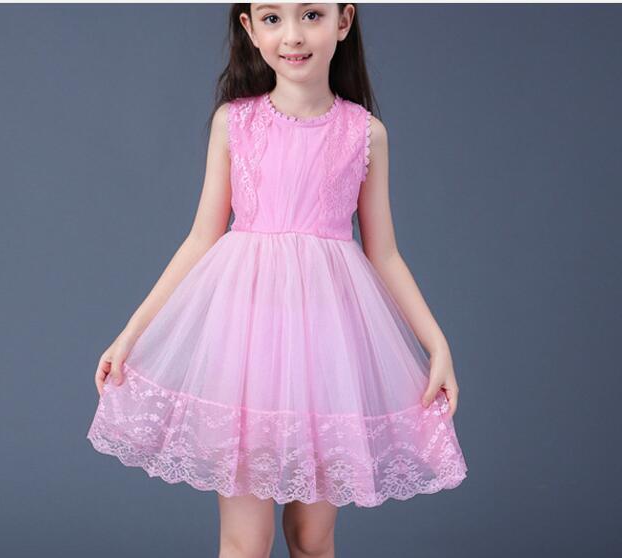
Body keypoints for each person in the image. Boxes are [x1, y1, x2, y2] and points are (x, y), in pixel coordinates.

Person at [87, 3, 468, 557]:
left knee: (312, 537)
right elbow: (201, 238)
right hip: (246, 348)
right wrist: (131, 333)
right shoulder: (235, 123)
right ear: (249, 28)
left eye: (311, 14)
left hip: (327, 348)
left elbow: (384, 253)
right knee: (246, 541)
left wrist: (437, 344)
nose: (292, 35)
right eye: (272, 18)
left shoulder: (365, 134)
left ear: (343, 21)